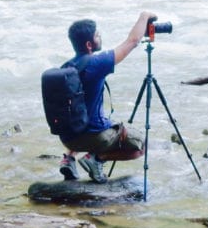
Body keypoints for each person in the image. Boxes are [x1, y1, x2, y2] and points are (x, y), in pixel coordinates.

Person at [57, 11, 154, 183]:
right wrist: (144, 16)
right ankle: (96, 159)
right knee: (142, 146)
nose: (100, 37)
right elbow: (132, 41)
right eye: (97, 35)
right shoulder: (97, 63)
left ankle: (69, 159)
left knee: (82, 113)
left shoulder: (66, 67)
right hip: (94, 137)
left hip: (68, 138)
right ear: (89, 44)